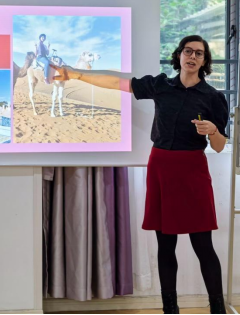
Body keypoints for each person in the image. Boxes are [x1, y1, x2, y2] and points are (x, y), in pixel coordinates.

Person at [51, 35, 229, 315]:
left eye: (199, 53)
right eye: (188, 51)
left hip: (193, 170)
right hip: (161, 167)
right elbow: (117, 83)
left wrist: (214, 131)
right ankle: (170, 309)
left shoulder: (213, 98)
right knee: (165, 244)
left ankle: (217, 308)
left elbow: (219, 146)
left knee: (203, 245)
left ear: (204, 61)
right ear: (179, 55)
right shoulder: (161, 85)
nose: (192, 57)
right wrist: (76, 73)